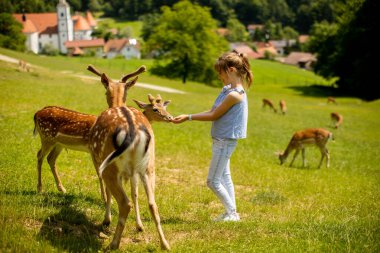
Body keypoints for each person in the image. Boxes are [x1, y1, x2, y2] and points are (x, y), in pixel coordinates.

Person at [172, 50, 253, 221]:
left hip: (225, 141)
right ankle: (231, 213)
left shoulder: (235, 95)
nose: (219, 77)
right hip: (220, 140)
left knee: (213, 181)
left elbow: (214, 116)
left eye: (220, 73)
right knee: (224, 176)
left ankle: (232, 214)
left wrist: (189, 117)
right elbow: (212, 111)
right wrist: (189, 115)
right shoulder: (227, 90)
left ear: (231, 70)